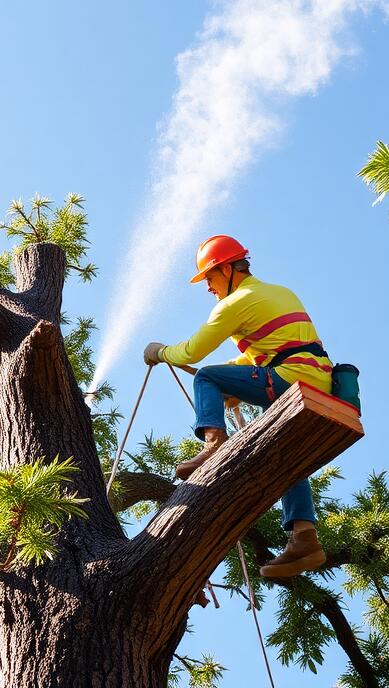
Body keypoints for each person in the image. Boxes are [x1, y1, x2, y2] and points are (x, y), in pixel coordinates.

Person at [143, 235, 331, 579]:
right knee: (285, 458)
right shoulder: (278, 292)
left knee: (206, 378)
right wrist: (236, 384)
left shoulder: (235, 303)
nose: (208, 288)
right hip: (318, 379)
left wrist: (160, 351)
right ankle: (305, 536)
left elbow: (190, 353)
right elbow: (261, 353)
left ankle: (214, 445)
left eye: (210, 278)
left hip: (293, 378)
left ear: (228, 269)